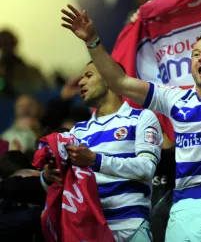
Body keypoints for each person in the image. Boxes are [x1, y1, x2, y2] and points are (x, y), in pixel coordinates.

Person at [61, 0, 201, 241]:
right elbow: (120, 82)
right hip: (180, 206)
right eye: (196, 54)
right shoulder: (175, 98)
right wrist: (92, 41)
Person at [42, 61, 163, 242]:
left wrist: (95, 160)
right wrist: (47, 177)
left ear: (110, 80)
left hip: (130, 227)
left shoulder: (142, 118)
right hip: (90, 229)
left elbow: (146, 168)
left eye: (88, 76)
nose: (81, 82)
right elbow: (60, 186)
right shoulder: (77, 131)